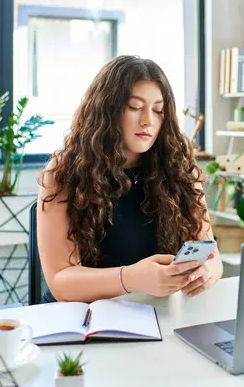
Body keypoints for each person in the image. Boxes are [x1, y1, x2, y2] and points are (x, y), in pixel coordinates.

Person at [37, 55, 223, 303]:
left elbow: (211, 254)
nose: (148, 120)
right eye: (135, 107)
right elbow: (60, 282)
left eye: (158, 110)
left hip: (153, 313)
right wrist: (132, 278)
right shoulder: (63, 173)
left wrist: (208, 272)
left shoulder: (179, 168)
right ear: (107, 109)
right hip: (82, 319)